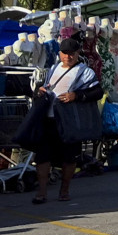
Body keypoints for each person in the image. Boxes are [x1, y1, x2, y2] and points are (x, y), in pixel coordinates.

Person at [31, 45, 100, 205]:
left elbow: (97, 92)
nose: (68, 57)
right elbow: (46, 88)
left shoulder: (85, 72)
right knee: (42, 156)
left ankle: (64, 190)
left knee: (69, 157)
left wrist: (76, 95)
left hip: (70, 121)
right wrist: (40, 90)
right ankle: (41, 192)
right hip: (49, 119)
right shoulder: (53, 69)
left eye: (72, 54)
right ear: (60, 53)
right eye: (65, 53)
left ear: (77, 54)